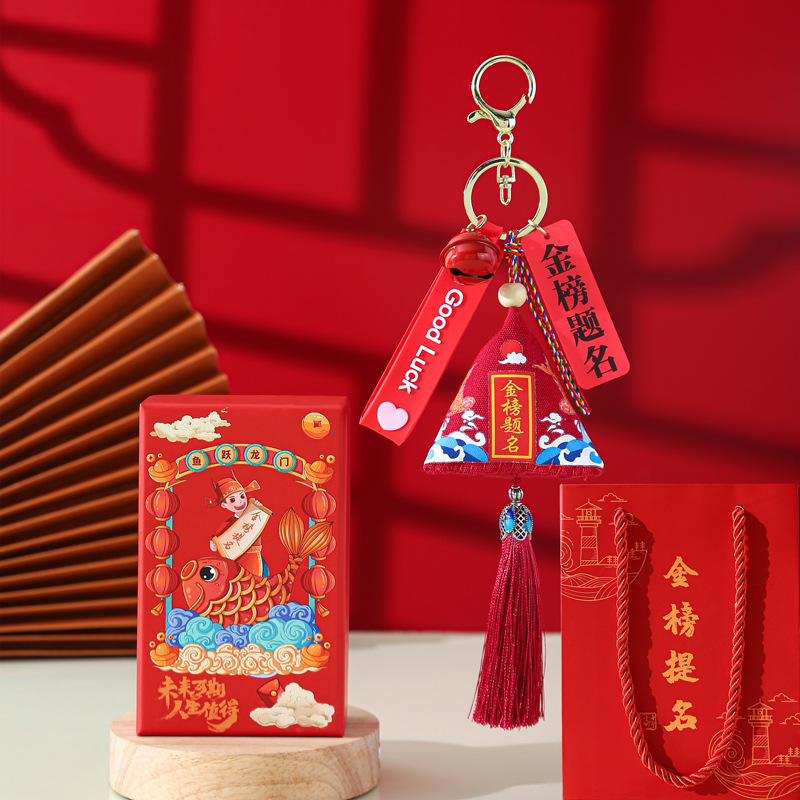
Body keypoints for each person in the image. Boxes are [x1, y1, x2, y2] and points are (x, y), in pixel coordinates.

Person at [204, 473, 265, 576]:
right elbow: (219, 542)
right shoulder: (227, 524)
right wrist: (214, 547)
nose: (240, 501)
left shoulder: (253, 513)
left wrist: (259, 509)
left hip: (256, 558)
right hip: (237, 560)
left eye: (242, 496)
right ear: (224, 505)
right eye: (232, 499)